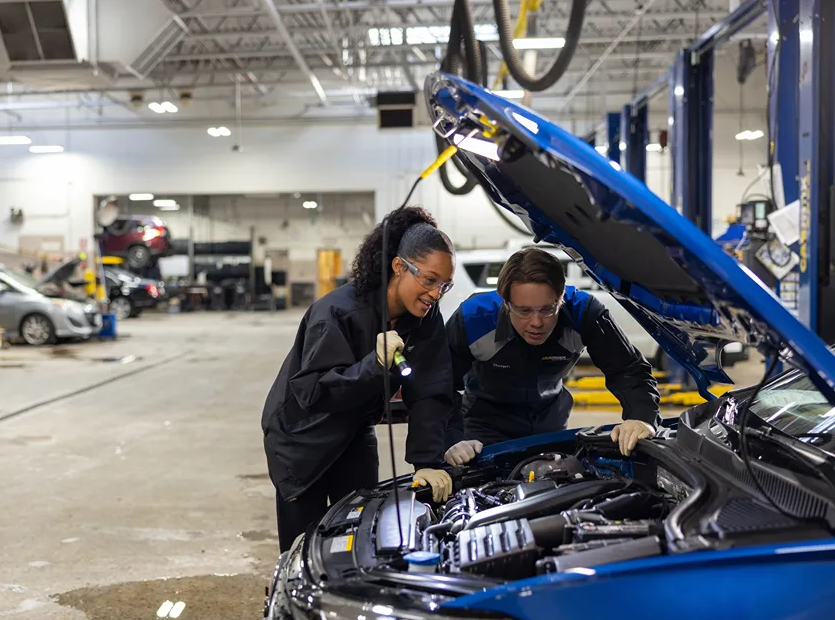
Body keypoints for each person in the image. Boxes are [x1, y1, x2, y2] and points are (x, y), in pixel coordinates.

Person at [262, 206, 457, 552]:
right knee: (302, 548)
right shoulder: (337, 313)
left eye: (444, 285)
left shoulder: (425, 318)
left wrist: (426, 461)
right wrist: (374, 365)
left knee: (360, 530)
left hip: (354, 428)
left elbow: (430, 388)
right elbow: (314, 393)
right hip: (301, 438)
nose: (435, 294)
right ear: (399, 267)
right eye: (429, 280)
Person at [443, 246, 661, 466]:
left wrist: (642, 417)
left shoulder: (584, 314)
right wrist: (452, 438)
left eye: (548, 309)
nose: (536, 323)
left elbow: (627, 368)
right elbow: (440, 383)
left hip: (550, 424)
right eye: (524, 311)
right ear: (506, 303)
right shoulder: (474, 319)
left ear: (561, 298)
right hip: (484, 426)